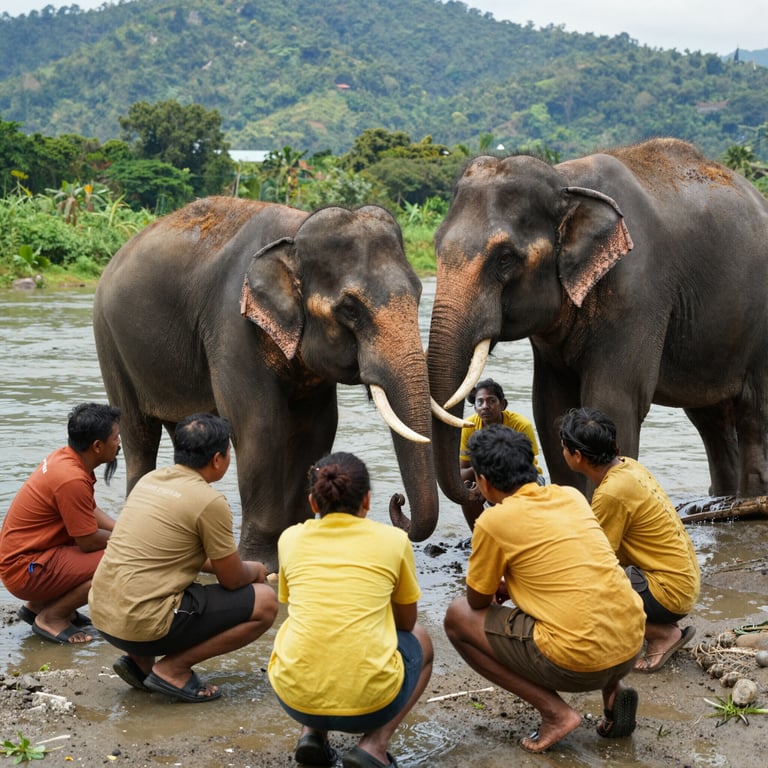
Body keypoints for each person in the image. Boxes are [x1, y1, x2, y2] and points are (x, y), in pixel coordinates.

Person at [444, 425, 645, 754]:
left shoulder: (492, 522)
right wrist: (515, 584)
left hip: (577, 662)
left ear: (483, 481)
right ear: (532, 466)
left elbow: (476, 601)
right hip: (631, 645)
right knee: (590, 594)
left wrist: (499, 584)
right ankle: (613, 690)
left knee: (456, 618)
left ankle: (555, 713)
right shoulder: (571, 495)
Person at [88, 413, 277, 703]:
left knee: (158, 584)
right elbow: (232, 579)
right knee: (265, 601)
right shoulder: (209, 501)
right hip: (142, 624)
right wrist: (255, 569)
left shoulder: (150, 480)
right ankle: (173, 668)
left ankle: (139, 662)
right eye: (228, 454)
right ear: (218, 459)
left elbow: (172, 554)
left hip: (103, 615)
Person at [269, 451, 433, 768]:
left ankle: (312, 734)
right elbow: (407, 622)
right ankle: (374, 745)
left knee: (309, 630)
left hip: (295, 698)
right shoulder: (393, 541)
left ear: (313, 503)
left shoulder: (289, 538)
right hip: (372, 704)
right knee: (422, 641)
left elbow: (292, 604)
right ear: (368, 501)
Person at [558, 407, 701, 672]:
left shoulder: (611, 493)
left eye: (564, 447)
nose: (562, 452)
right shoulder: (629, 466)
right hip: (683, 581)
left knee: (582, 591)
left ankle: (661, 633)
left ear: (577, 456)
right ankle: (659, 626)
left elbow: (596, 562)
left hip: (670, 593)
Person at [0, 402, 121, 645]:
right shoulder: (71, 478)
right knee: (122, 561)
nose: (119, 443)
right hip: (25, 570)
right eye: (116, 438)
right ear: (97, 446)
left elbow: (89, 509)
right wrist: (129, 541)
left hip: (28, 558)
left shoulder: (65, 457)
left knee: (119, 545)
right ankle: (52, 617)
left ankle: (39, 606)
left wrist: (122, 529)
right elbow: (87, 542)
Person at [458, 378, 543, 530]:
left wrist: (485, 470)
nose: (485, 407)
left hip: (526, 478)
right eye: (480, 402)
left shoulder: (520, 425)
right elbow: (462, 474)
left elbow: (525, 470)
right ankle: (478, 536)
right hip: (486, 477)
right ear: (475, 406)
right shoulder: (468, 427)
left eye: (491, 401)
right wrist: (482, 470)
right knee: (467, 492)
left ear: (503, 404)